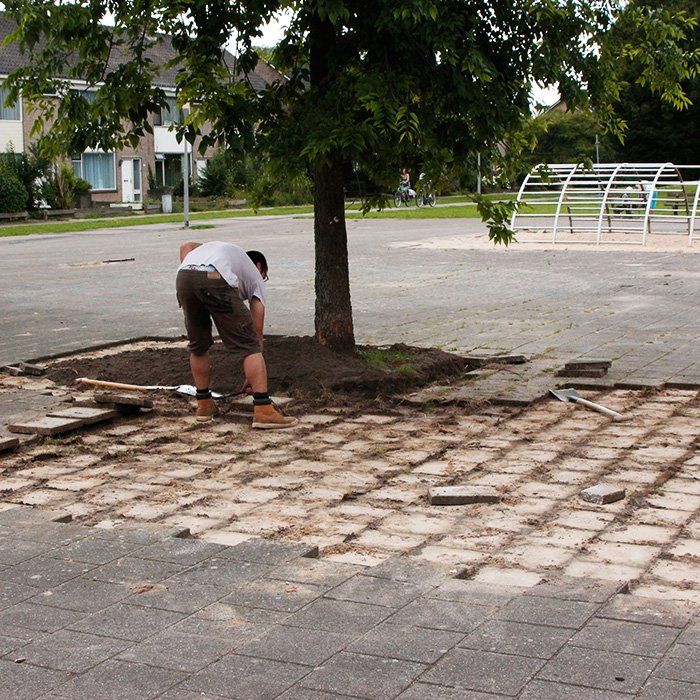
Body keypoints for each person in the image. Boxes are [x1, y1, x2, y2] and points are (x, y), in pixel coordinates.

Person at [176, 240, 297, 428]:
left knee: (198, 345)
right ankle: (264, 410)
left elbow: (186, 246)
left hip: (184, 276)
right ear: (259, 267)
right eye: (264, 275)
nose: (262, 279)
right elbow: (256, 331)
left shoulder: (217, 251)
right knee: (250, 345)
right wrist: (254, 373)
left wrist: (194, 276)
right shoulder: (254, 276)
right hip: (213, 276)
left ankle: (204, 405)